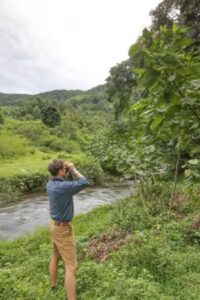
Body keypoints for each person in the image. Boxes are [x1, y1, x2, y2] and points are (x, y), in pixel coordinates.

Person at [46, 159, 88, 300]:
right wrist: (74, 169)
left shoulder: (50, 184)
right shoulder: (64, 188)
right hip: (63, 230)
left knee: (55, 256)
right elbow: (84, 182)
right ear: (60, 171)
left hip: (53, 226)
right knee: (71, 266)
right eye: (64, 168)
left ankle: (53, 285)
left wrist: (67, 171)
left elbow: (66, 184)